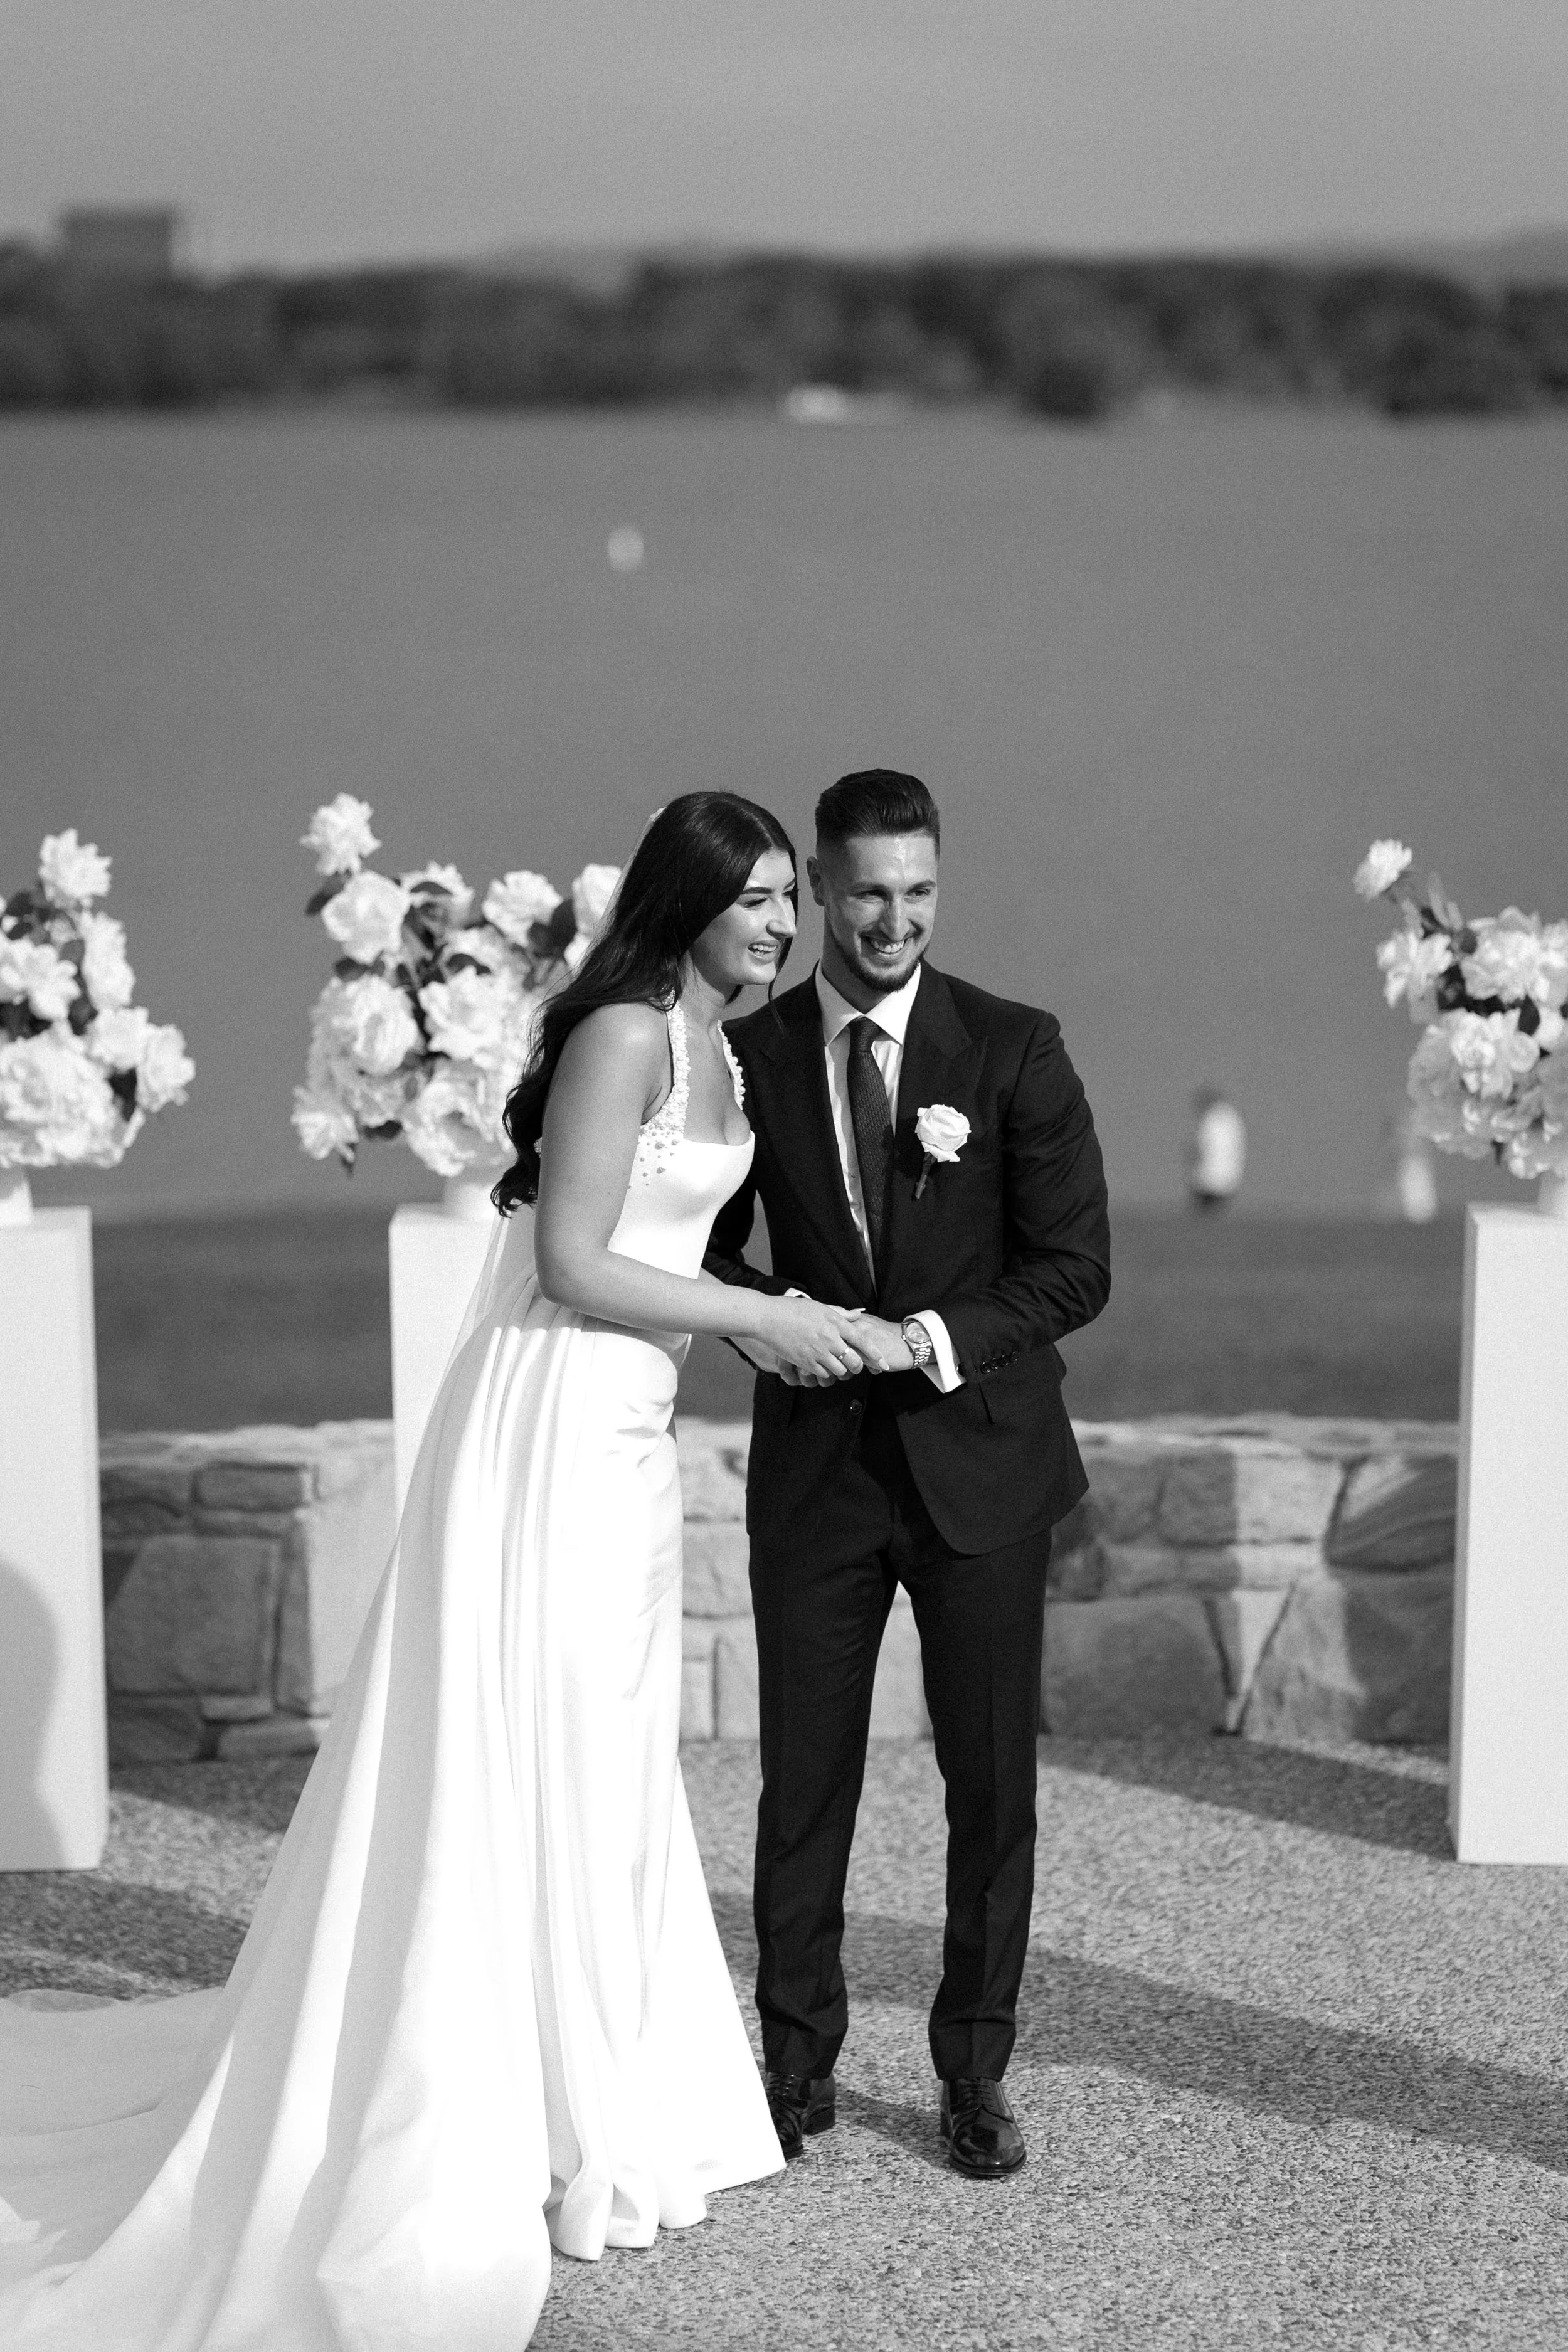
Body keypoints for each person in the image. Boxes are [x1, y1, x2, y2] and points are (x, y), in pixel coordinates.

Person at [0, 793, 872, 2352]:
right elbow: (570, 1258)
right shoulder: (621, 1031)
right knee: (530, 1746)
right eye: (751, 897)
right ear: (683, 903)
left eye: (784, 895)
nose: (778, 920)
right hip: (549, 1413)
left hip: (628, 1420)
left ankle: (600, 2081)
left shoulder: (723, 1039)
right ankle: (513, 2104)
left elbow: (666, 1235)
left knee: (607, 1758)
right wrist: (766, 1319)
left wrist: (785, 1305)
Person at [704, 769, 1110, 2179]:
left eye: (918, 892)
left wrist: (928, 1336)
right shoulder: (741, 1060)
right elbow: (686, 1238)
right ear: (818, 887)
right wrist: (774, 1323)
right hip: (816, 1473)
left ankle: (975, 2074)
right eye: (867, 891)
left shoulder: (1012, 1048)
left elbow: (1074, 1270)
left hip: (982, 1473)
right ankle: (792, 2070)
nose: (893, 920)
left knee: (988, 1787)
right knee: (801, 1784)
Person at [1185, 1086, 1246, 1212]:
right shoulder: (1230, 1118)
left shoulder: (1212, 1119)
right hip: (1227, 1180)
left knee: (1207, 1212)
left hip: (1211, 1180)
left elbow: (1203, 1147)